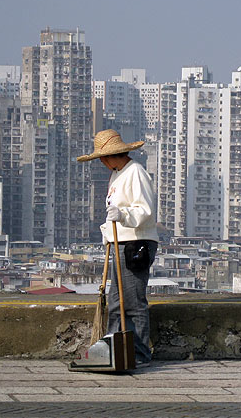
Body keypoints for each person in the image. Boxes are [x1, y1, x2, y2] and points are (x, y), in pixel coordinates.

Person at [77, 129, 159, 367]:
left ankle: (140, 353)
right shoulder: (116, 175)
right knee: (116, 301)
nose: (102, 162)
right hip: (119, 242)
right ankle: (114, 349)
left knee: (132, 301)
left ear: (114, 155)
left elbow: (145, 210)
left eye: (103, 158)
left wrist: (122, 215)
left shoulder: (136, 173)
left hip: (136, 243)